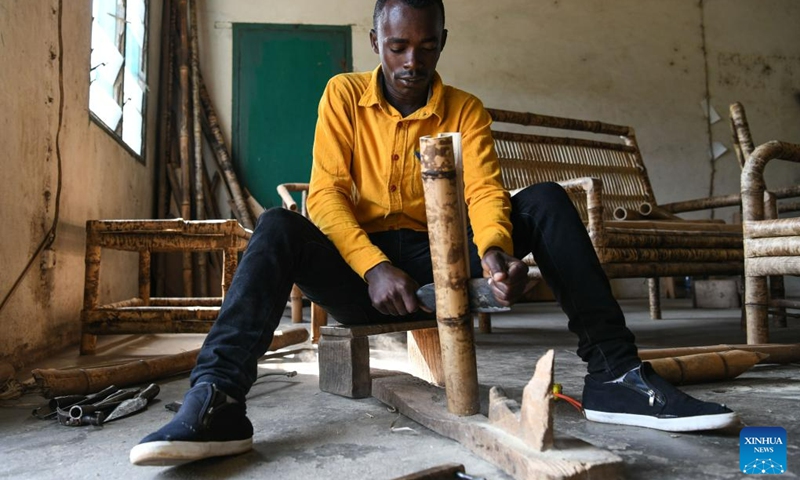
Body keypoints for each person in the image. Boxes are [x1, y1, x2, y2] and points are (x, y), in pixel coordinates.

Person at [130, 0, 738, 466]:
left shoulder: (465, 109)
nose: (412, 62)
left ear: (443, 41)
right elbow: (327, 198)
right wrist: (371, 266)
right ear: (376, 42)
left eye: (425, 46)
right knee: (278, 227)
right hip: (361, 275)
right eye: (397, 46)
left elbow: (482, 193)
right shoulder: (342, 95)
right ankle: (219, 401)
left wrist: (496, 256)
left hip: (440, 260)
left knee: (548, 201)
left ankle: (615, 376)